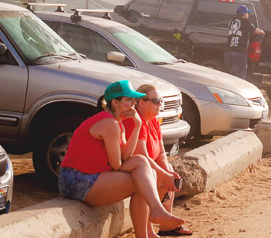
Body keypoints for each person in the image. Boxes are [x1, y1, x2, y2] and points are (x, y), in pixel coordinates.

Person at [58, 79, 186, 238]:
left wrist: (137, 125)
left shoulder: (118, 123)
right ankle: (154, 214)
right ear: (115, 102)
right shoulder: (109, 123)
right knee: (142, 178)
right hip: (75, 179)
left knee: (145, 169)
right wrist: (139, 167)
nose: (133, 103)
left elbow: (126, 156)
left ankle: (152, 221)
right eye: (129, 100)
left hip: (91, 176)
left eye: (134, 100)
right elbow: (117, 165)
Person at [123, 84, 192, 237]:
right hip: (130, 168)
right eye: (155, 101)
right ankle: (148, 231)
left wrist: (167, 173)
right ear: (141, 103)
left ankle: (166, 224)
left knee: (168, 170)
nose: (160, 104)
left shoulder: (153, 120)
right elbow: (141, 155)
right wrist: (163, 175)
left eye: (161, 101)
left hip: (144, 166)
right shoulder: (135, 121)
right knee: (154, 175)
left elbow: (160, 152)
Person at [224, 5, 264, 79]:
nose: (248, 14)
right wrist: (262, 32)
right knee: (239, 78)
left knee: (230, 77)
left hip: (228, 53)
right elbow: (255, 31)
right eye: (247, 13)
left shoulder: (232, 22)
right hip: (239, 53)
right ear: (245, 14)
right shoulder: (245, 22)